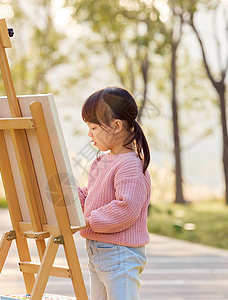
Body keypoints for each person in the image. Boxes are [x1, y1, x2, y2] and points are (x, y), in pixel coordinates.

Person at [77, 86, 151, 300]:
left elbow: (126, 208)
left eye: (94, 127)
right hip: (98, 251)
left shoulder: (129, 165)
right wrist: (70, 194)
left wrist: (90, 221)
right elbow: (91, 195)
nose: (89, 133)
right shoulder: (101, 161)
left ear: (116, 125)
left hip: (121, 254)